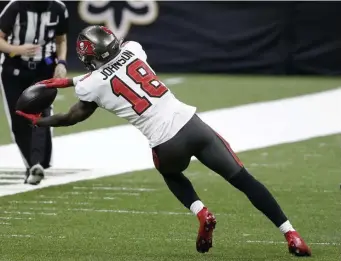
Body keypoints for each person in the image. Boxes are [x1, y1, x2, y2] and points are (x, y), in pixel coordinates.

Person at [16, 25, 311, 256]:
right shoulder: (134, 50)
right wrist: (68, 81)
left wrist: (39, 118)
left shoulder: (89, 84)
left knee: (171, 173)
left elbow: (73, 116)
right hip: (194, 126)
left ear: (89, 57)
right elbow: (114, 64)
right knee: (245, 180)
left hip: (165, 143)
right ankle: (291, 234)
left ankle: (202, 211)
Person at [0, 1, 69, 185]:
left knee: (41, 115)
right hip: (14, 69)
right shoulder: (16, 7)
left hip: (43, 69)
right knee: (19, 119)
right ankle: (32, 164)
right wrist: (16, 49)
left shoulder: (58, 8)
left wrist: (61, 63)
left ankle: (37, 163)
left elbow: (61, 40)